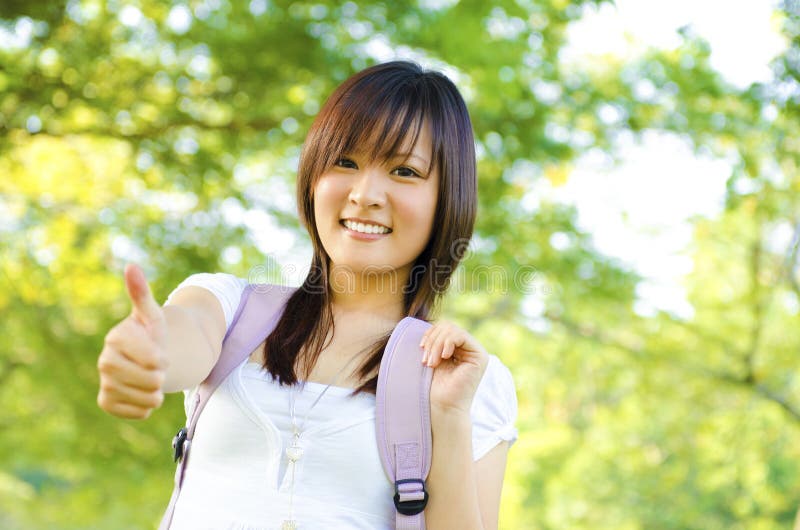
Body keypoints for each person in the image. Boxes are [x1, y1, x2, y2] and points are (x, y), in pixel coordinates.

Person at [97, 61, 518, 530]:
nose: (365, 194)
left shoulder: (468, 380)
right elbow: (182, 335)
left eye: (404, 170)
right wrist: (146, 351)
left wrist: (449, 417)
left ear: (447, 197)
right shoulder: (230, 307)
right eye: (345, 161)